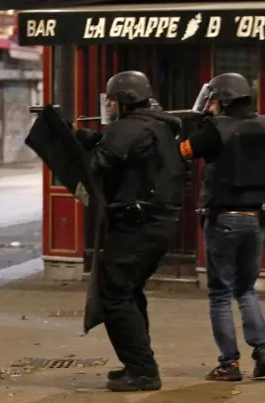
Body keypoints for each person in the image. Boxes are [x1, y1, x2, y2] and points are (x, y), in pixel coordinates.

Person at [78, 71, 184, 392]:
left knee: (114, 293)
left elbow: (98, 165)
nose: (108, 105)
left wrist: (74, 151)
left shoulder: (129, 128)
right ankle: (137, 362)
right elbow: (124, 150)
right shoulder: (158, 126)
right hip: (156, 225)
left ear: (122, 99)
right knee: (130, 291)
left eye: (110, 100)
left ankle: (143, 371)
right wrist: (87, 135)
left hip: (137, 226)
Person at [179, 72, 265, 382]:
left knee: (220, 294)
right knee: (246, 289)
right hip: (256, 219)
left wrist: (199, 122)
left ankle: (229, 364)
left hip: (223, 219)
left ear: (221, 100)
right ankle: (263, 352)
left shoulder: (215, 129)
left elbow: (184, 150)